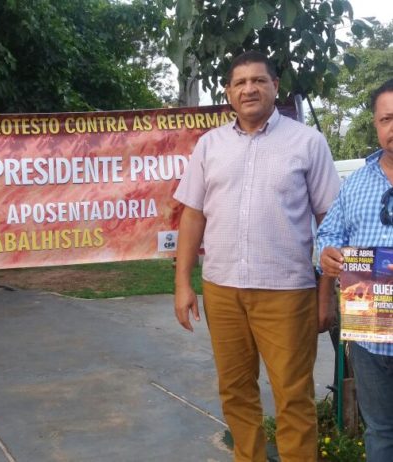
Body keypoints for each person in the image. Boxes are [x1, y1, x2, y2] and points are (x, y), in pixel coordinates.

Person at [173, 50, 340, 461]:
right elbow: (192, 216)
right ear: (228, 93)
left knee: (293, 396)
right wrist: (182, 284)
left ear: (275, 87)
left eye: (259, 80)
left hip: (287, 293)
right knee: (235, 391)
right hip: (222, 291)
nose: (249, 89)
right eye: (241, 82)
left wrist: (325, 296)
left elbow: (331, 223)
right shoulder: (210, 145)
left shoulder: (307, 142)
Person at [318, 78, 393, 461]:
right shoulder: (356, 184)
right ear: (376, 125)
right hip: (371, 338)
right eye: (386, 119)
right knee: (380, 431)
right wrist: (327, 254)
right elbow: (329, 234)